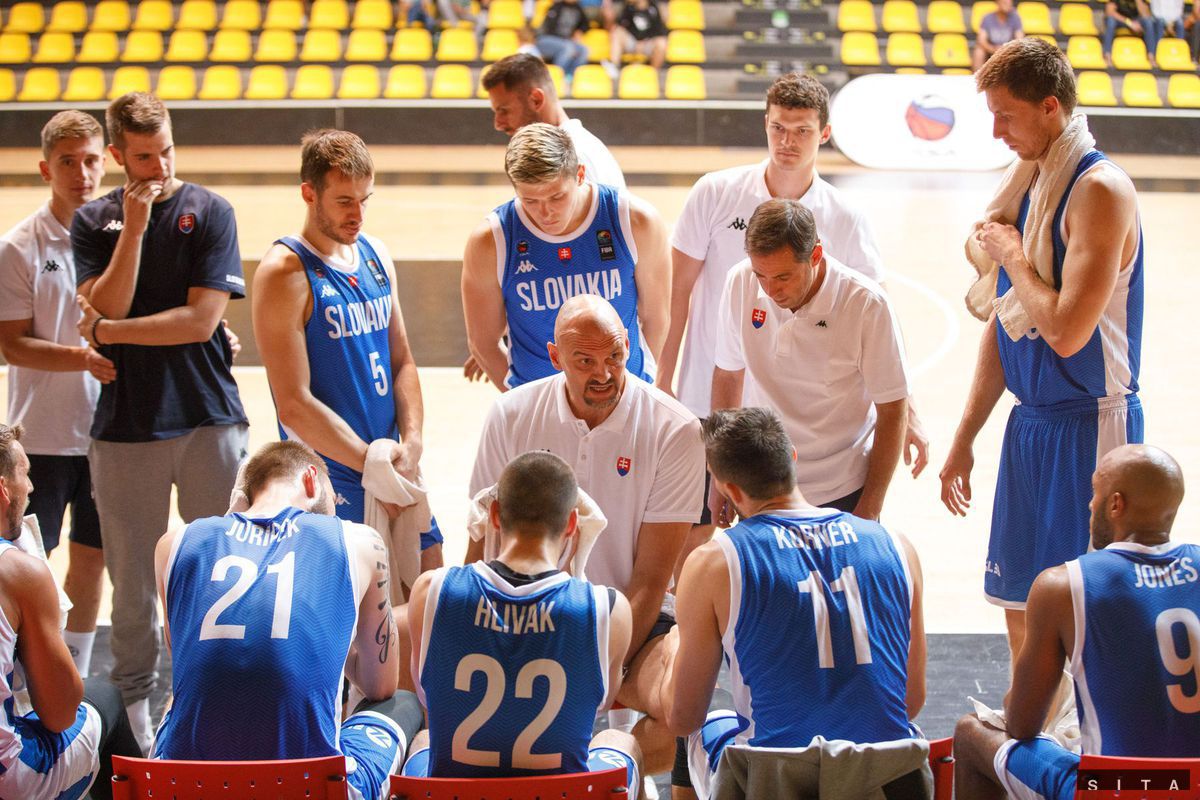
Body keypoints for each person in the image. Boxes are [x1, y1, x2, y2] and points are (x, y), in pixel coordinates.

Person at [939, 39, 1144, 657]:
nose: (996, 132)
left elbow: (1065, 331)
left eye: (1006, 115)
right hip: (1031, 424)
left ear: (1050, 106)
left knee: (1091, 610)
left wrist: (1011, 257)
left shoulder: (1098, 190)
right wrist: (965, 437)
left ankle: (1091, 741)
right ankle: (1033, 734)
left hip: (1091, 423)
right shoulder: (1027, 186)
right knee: (1022, 598)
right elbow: (1004, 327)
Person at [71, 92, 249, 747]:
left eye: (167, 149)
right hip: (124, 431)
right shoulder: (93, 222)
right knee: (133, 584)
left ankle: (214, 694)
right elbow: (107, 294)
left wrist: (112, 330)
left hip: (209, 419)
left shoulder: (211, 211)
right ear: (118, 155)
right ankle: (136, 714)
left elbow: (201, 320)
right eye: (143, 156)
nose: (160, 165)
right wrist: (137, 230)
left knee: (219, 568)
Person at [468, 294, 705, 773]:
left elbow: (652, 577)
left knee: (690, 705)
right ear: (555, 357)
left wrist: (596, 670)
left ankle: (616, 765)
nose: (604, 373)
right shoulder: (510, 415)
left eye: (615, 356)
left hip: (635, 618)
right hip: (524, 612)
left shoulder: (676, 429)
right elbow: (479, 548)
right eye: (585, 361)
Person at [658, 71, 928, 482]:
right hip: (711, 388)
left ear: (824, 134)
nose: (787, 141)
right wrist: (664, 379)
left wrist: (910, 410)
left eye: (802, 131)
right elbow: (677, 292)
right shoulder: (713, 193)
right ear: (764, 124)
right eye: (778, 128)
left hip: (794, 406)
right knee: (698, 517)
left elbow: (880, 316)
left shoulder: (844, 217)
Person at [663, 408, 926, 799]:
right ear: (793, 458)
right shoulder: (896, 544)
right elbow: (910, 700)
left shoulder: (714, 561)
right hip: (887, 777)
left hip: (777, 781)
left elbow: (683, 717)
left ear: (730, 490)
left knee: (699, 732)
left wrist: (674, 649)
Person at [152, 440, 424, 800]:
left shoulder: (175, 543)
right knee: (401, 704)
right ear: (311, 479)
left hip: (186, 786)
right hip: (308, 788)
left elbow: (186, 658)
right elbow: (379, 685)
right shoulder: (358, 541)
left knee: (178, 700)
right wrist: (328, 630)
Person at [953, 444, 1199, 800]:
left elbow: (1023, 725)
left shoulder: (1064, 585)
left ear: (1116, 504)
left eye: (1095, 493)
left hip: (1117, 789)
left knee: (971, 731)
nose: (1089, 504)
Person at [253, 129, 442, 574]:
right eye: (343, 201)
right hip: (330, 476)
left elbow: (404, 362)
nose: (357, 214)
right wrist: (369, 467)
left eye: (365, 199)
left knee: (428, 590)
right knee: (354, 624)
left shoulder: (376, 254)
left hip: (390, 466)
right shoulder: (285, 270)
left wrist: (411, 445)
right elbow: (294, 404)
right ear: (308, 193)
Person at [404, 451, 643, 793]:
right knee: (619, 740)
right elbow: (600, 702)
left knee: (424, 740)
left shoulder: (431, 591)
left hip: (456, 792)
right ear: (573, 524)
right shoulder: (607, 608)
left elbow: (429, 696)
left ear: (495, 515)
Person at [712, 200, 910, 522]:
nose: (770, 289)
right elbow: (728, 375)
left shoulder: (866, 305)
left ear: (815, 255)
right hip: (761, 484)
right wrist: (721, 476)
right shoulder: (740, 281)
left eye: (783, 277)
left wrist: (871, 506)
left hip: (842, 488)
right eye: (761, 274)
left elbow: (892, 407)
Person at [0, 110, 112, 678]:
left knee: (92, 560)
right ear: (47, 168)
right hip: (39, 436)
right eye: (68, 162)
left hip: (105, 434)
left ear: (106, 162)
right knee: (27, 565)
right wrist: (86, 358)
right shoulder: (19, 245)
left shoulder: (123, 239)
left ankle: (79, 675)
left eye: (91, 160)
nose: (82, 173)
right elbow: (13, 345)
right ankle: (20, 680)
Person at [461, 122, 668, 392]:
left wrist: (639, 385)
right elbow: (483, 342)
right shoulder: (491, 241)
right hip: (539, 402)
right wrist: (524, 400)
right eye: (530, 201)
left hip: (624, 394)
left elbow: (657, 316)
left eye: (557, 196)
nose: (545, 212)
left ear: (580, 174)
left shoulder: (635, 221)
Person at [0, 423, 141, 798]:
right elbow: (60, 713)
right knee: (105, 697)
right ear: (2, 491)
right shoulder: (18, 571)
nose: (30, 488)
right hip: (10, 780)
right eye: (24, 474)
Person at [482, 53, 626, 191]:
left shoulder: (574, 156)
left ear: (536, 100)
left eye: (504, 111)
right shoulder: (573, 149)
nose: (498, 124)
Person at [608, 0, 668, 73]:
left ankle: (654, 73)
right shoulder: (629, 8)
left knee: (662, 43)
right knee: (617, 32)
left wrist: (644, 41)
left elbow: (658, 31)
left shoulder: (653, 9)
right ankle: (614, 67)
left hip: (647, 43)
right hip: (632, 42)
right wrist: (637, 41)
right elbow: (622, 25)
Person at [536, 0, 591, 79]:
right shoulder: (557, 6)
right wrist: (568, 40)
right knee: (568, 48)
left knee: (584, 50)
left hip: (565, 41)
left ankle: (570, 77)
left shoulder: (578, 8)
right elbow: (549, 29)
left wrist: (579, 31)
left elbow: (585, 24)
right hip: (545, 39)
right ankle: (556, 77)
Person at [973, 0, 1024, 71]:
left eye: (1010, 3)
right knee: (979, 51)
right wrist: (992, 49)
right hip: (991, 49)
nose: (1008, 5)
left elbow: (1019, 39)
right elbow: (981, 40)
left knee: (1021, 52)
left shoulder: (1015, 18)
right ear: (998, 3)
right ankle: (976, 76)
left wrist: (1006, 49)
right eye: (1005, 3)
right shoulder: (988, 18)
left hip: (1008, 49)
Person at [1102, 0, 1155, 66]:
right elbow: (1109, 12)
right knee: (1110, 21)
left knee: (1148, 22)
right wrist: (1129, 23)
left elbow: (1145, 15)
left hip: (1135, 20)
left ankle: (1151, 56)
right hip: (1120, 20)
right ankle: (1107, 55)